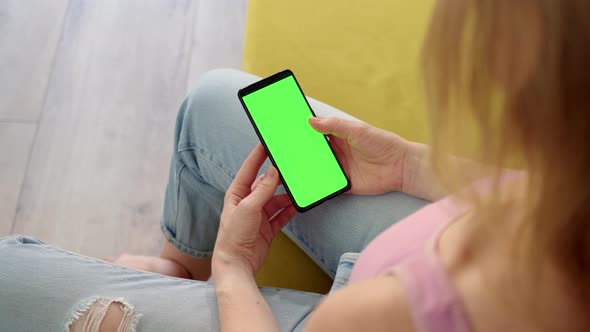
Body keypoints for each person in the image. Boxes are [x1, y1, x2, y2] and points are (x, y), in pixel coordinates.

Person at [1, 0, 588, 331]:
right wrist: (408, 165)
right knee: (216, 102)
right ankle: (179, 268)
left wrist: (234, 271)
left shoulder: (389, 314)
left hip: (370, 307)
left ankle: (202, 279)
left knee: (10, 277)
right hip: (421, 247)